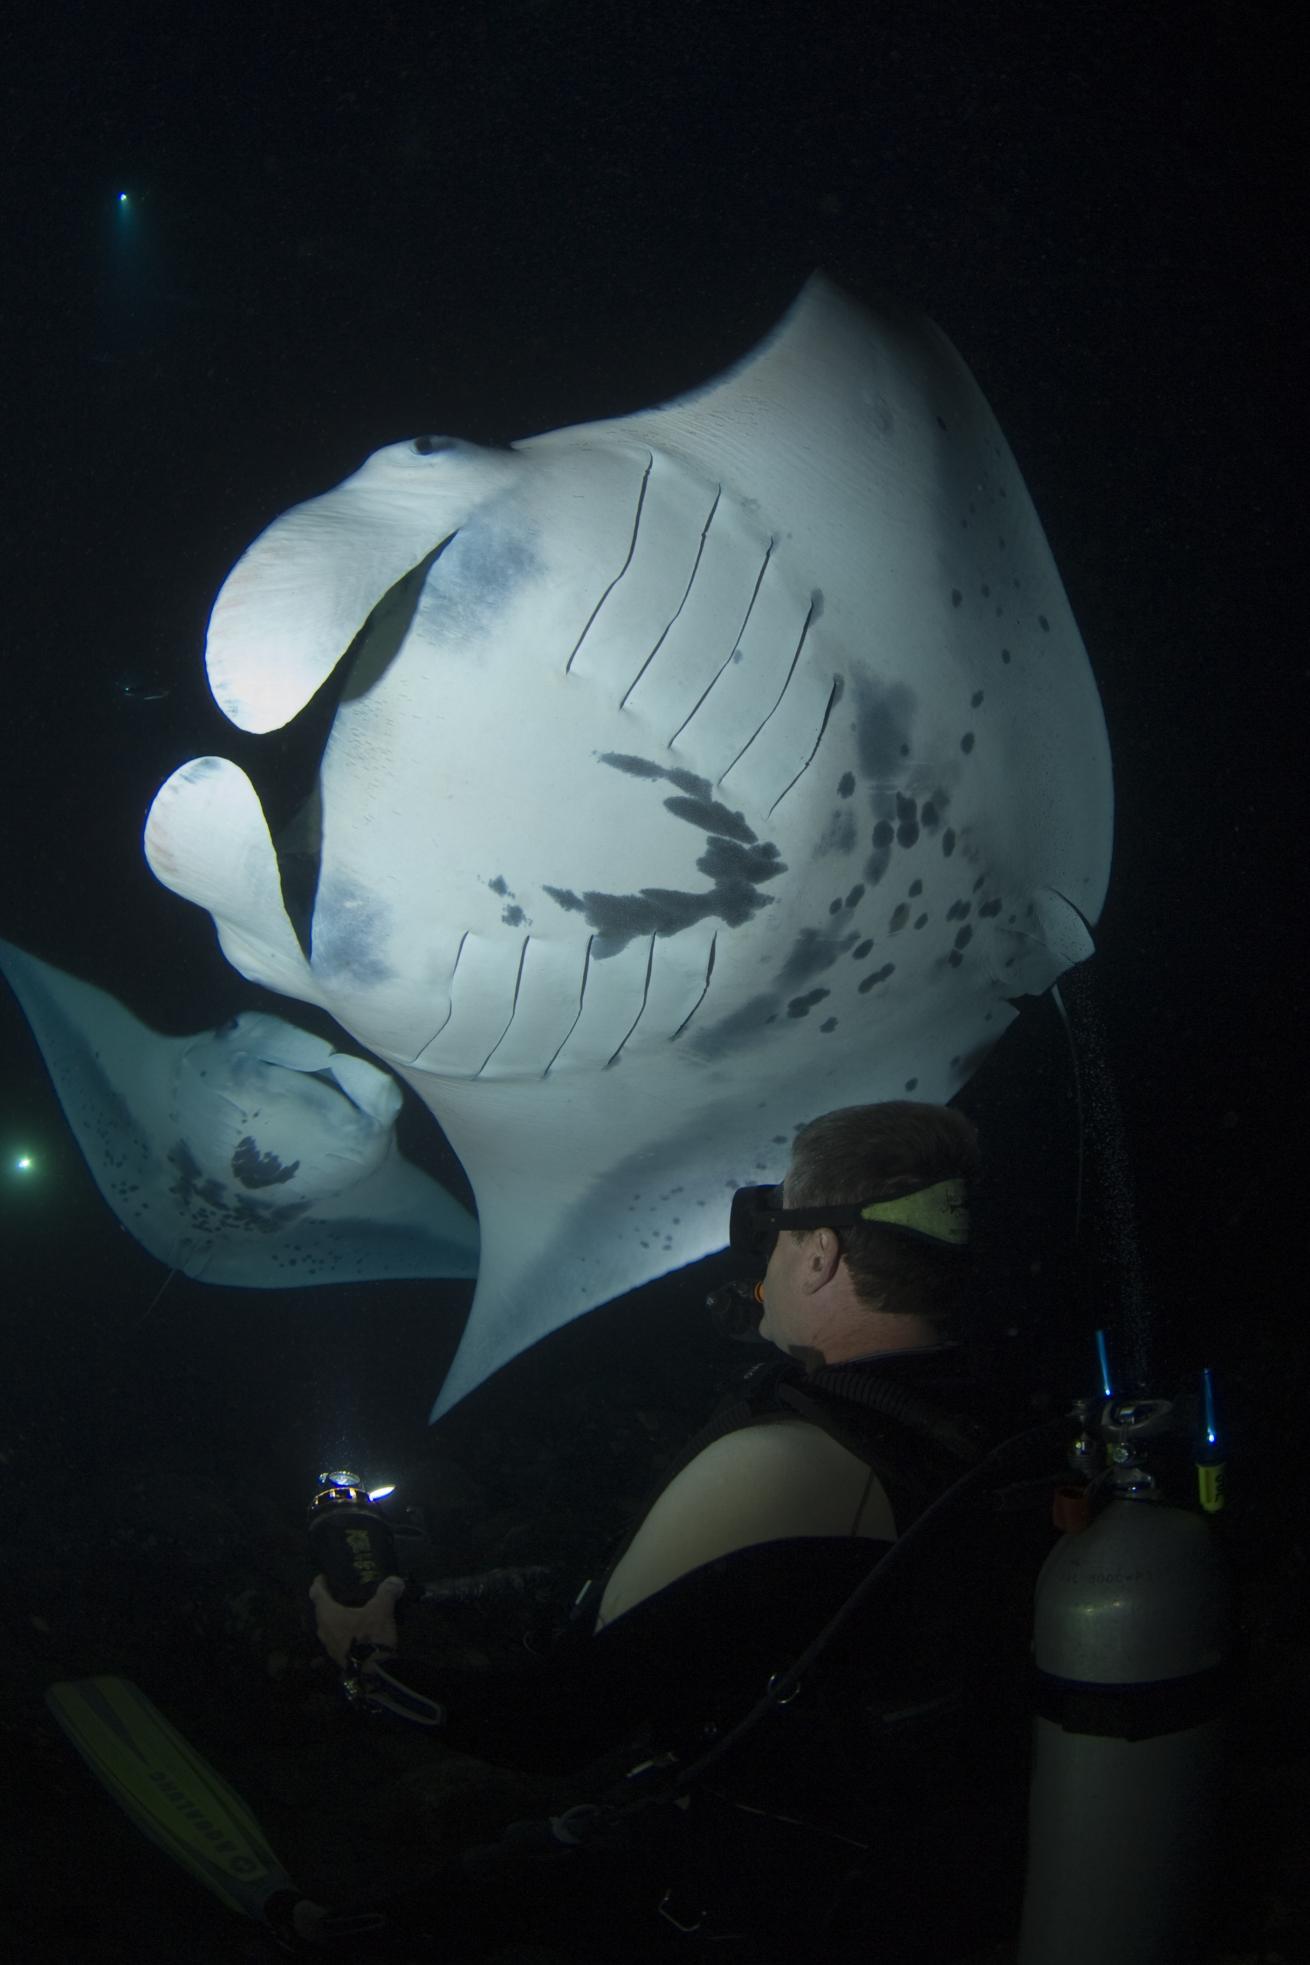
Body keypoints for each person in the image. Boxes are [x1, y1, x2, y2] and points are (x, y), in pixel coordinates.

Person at [304, 1102, 1048, 1959]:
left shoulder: (787, 1462)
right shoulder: (978, 1427)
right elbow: (711, 1617)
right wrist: (448, 1598)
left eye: (770, 1227)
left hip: (770, 1902)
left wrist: (366, 1659)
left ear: (820, 1254)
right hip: (917, 1879)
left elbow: (555, 1725)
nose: (760, 1256)